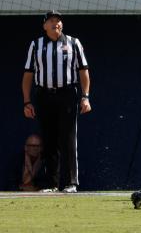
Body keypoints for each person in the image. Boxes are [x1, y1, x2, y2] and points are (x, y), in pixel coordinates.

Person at [22, 11, 90, 192]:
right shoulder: (36, 45)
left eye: (59, 21)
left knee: (68, 138)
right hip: (44, 95)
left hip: (67, 94)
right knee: (49, 139)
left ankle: (71, 183)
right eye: (51, 21)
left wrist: (85, 96)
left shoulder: (73, 43)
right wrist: (27, 102)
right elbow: (28, 75)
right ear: (44, 26)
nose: (56, 24)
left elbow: (83, 71)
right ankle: (51, 184)